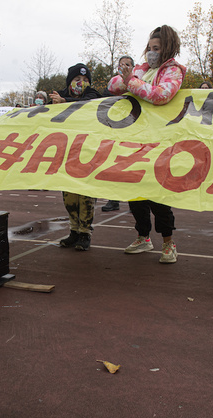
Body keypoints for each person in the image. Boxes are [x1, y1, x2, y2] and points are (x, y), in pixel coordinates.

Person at [107, 25, 185, 264]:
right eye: (149, 48)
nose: (151, 53)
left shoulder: (174, 71)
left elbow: (162, 95)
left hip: (159, 139)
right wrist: (128, 77)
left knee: (157, 194)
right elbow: (113, 85)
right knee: (135, 190)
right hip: (135, 137)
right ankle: (143, 236)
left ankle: (168, 242)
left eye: (157, 48)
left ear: (168, 49)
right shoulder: (141, 70)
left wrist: (131, 82)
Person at [53, 63, 101, 251]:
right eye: (77, 80)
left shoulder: (93, 95)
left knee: (86, 195)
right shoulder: (58, 95)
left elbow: (89, 104)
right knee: (69, 195)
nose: (81, 83)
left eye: (85, 80)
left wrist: (65, 102)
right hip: (66, 153)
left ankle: (85, 232)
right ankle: (74, 230)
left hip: (88, 153)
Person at [101, 55, 135, 213]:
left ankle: (135, 200)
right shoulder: (113, 85)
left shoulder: (137, 83)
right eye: (121, 65)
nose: (124, 67)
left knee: (133, 165)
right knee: (113, 163)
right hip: (116, 128)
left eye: (127, 64)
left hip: (134, 128)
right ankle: (113, 199)